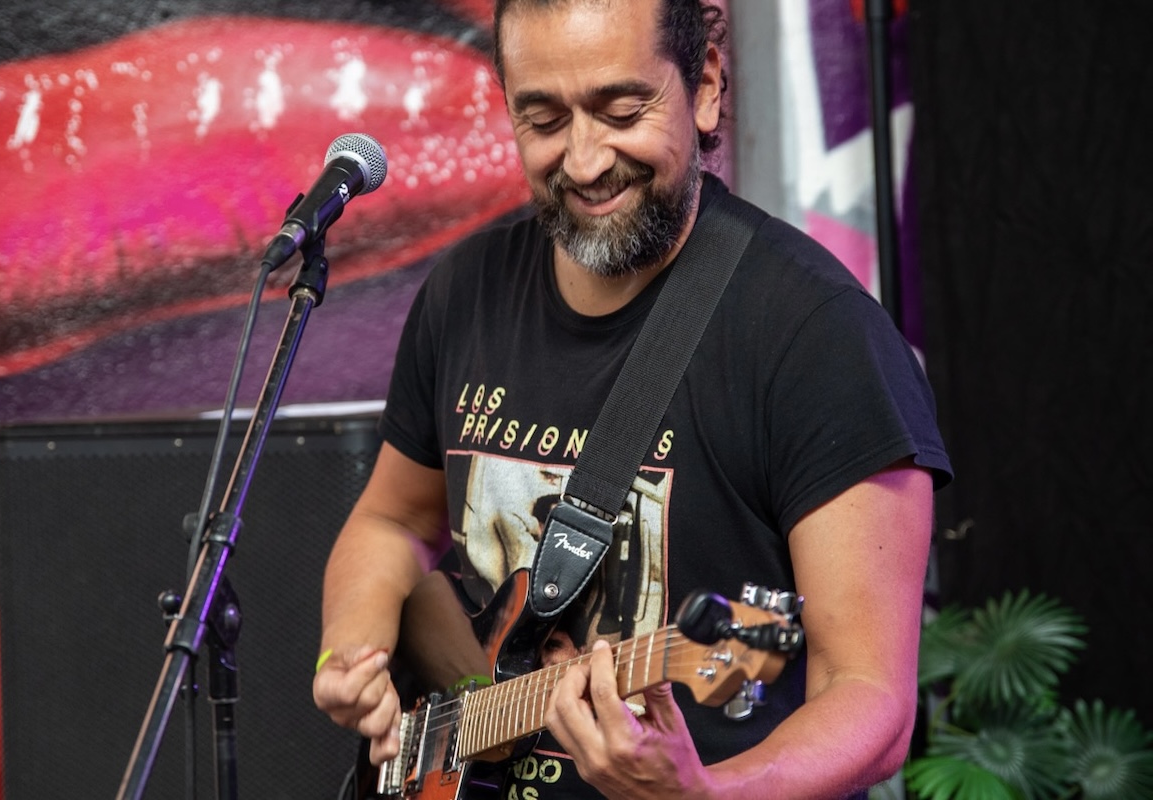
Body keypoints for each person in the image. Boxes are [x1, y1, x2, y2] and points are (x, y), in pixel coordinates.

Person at [312, 0, 953, 797]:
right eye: (544, 120)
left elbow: (870, 699)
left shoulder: (819, 334)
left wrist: (704, 796)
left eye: (621, 111)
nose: (584, 162)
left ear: (706, 87)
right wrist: (351, 652)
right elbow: (395, 522)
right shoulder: (465, 294)